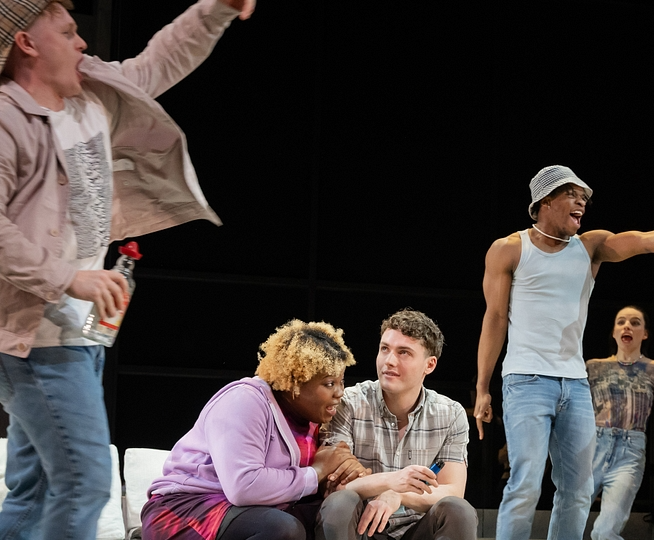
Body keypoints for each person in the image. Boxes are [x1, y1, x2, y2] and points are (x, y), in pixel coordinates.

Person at [0, 1, 254, 538]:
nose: (82, 43)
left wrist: (216, 9)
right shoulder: (6, 120)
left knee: (36, 487)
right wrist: (69, 278)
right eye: (67, 32)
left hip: (79, 334)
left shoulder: (91, 96)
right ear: (27, 43)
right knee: (84, 481)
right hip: (33, 338)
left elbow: (159, 61)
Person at [473, 165, 654, 540]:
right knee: (525, 482)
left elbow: (645, 241)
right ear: (545, 200)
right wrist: (482, 388)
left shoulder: (589, 247)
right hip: (526, 380)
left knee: (578, 490)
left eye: (584, 198)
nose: (581, 203)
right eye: (572, 195)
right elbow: (494, 318)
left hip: (575, 385)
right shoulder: (509, 249)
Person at [142, 320, 372, 540]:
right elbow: (244, 486)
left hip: (260, 511)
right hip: (186, 511)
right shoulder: (244, 401)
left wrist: (339, 476)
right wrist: (317, 472)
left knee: (342, 510)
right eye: (329, 383)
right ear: (295, 382)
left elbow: (314, 478)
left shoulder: (312, 417)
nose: (339, 392)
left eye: (341, 382)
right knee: (282, 528)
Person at [317, 309, 476, 540]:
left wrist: (398, 495)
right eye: (385, 349)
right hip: (361, 527)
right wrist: (391, 481)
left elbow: (453, 490)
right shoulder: (348, 403)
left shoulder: (450, 414)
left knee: (458, 510)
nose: (389, 361)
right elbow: (335, 487)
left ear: (429, 365)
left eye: (404, 353)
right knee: (340, 502)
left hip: (417, 529)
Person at [585, 306, 654, 540]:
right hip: (591, 448)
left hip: (629, 452)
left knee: (605, 532)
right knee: (567, 521)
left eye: (635, 322)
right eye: (621, 322)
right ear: (614, 332)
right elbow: (576, 411)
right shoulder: (594, 367)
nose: (627, 326)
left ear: (645, 333)